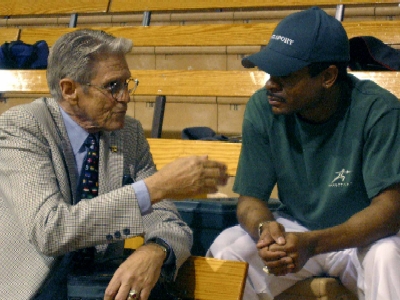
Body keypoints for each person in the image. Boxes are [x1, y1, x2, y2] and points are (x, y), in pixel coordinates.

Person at [0, 29, 228, 300]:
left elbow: (167, 220)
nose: (126, 97)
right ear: (69, 89)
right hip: (38, 286)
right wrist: (154, 188)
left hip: (99, 281)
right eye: (112, 86)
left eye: (127, 83)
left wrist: (156, 249)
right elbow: (50, 230)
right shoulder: (23, 126)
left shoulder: (128, 133)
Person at [206, 6, 400, 300]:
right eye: (271, 71)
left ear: (328, 76)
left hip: (361, 238)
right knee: (226, 249)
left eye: (285, 75)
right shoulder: (263, 107)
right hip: (296, 232)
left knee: (388, 256)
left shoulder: (379, 110)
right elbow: (250, 200)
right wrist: (264, 228)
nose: (271, 84)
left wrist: (314, 243)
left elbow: (389, 211)